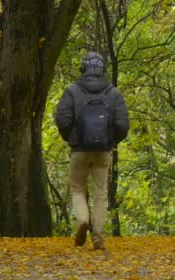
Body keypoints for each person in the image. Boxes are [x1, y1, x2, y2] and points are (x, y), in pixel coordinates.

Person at [54, 52, 129, 250]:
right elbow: (123, 125)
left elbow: (62, 119)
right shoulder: (113, 93)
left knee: (77, 189)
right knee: (100, 194)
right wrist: (110, 141)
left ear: (83, 69)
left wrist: (72, 138)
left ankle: (82, 220)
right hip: (102, 151)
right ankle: (98, 239)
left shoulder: (72, 91)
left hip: (79, 150)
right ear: (102, 69)